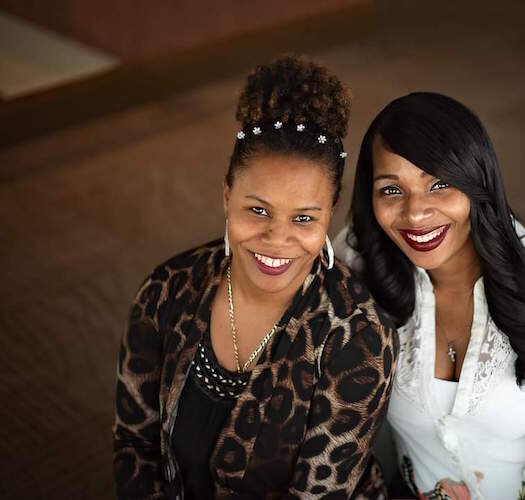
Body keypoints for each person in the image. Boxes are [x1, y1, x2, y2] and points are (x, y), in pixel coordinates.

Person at [113, 55, 397, 500]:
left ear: (330, 213)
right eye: (257, 209)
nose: (276, 239)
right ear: (227, 195)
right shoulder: (164, 291)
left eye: (304, 218)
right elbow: (135, 446)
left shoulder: (357, 336)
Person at [335, 92, 525, 499]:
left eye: (438, 184)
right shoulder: (358, 264)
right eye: (391, 190)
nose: (415, 213)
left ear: (478, 180)